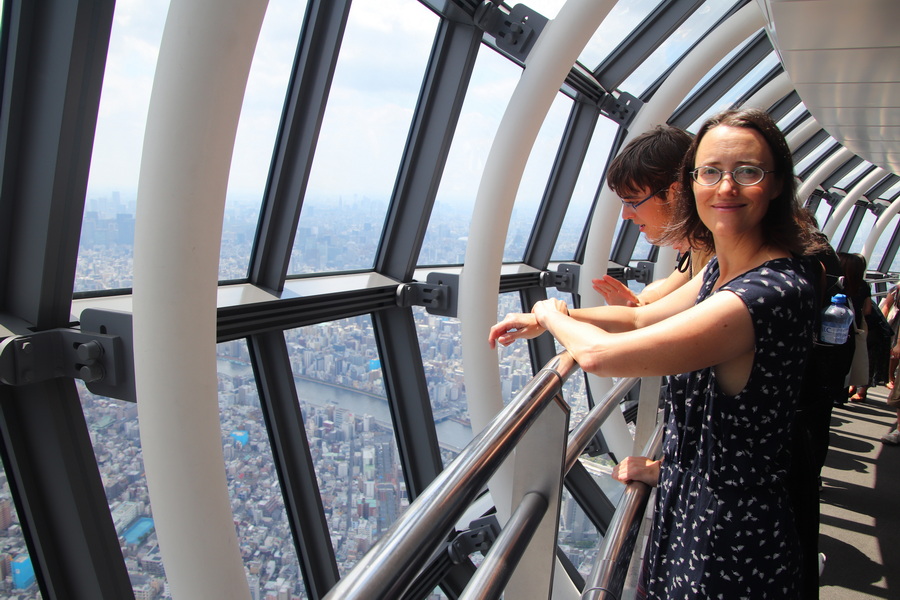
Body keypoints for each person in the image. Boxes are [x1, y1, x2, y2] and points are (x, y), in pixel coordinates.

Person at [489, 108, 828, 598]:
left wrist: (550, 310)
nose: (726, 187)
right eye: (710, 172)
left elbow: (603, 357)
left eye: (747, 172)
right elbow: (642, 318)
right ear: (690, 183)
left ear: (776, 185)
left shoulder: (767, 293)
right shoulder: (723, 273)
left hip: (730, 539)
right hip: (698, 507)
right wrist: (549, 318)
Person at [590, 125, 713, 307]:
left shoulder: (719, 254)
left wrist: (554, 316)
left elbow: (643, 318)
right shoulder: (702, 246)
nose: (625, 215)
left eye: (632, 201)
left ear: (676, 194)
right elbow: (660, 294)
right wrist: (640, 301)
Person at [839, 253, 875, 403]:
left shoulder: (839, 284)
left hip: (838, 323)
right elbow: (867, 309)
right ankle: (843, 393)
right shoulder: (864, 285)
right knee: (848, 358)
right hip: (854, 324)